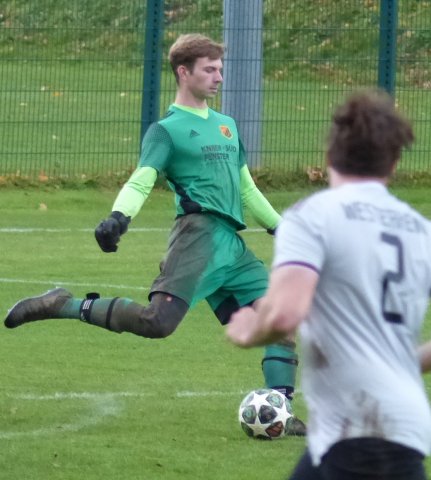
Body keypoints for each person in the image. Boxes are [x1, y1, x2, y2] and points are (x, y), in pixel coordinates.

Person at [4, 33, 305, 435]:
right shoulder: (166, 131)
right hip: (197, 239)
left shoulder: (227, 126)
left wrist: (280, 227)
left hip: (232, 245)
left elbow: (246, 188)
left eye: (220, 69)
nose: (219, 77)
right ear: (184, 72)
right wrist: (119, 217)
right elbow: (142, 179)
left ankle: (281, 413)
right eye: (209, 70)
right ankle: (61, 304)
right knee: (157, 323)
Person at [227, 89, 431, 479]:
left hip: (362, 428)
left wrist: (250, 330)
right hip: (388, 426)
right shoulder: (419, 229)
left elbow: (285, 314)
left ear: (329, 155)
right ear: (393, 163)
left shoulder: (313, 216)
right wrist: (405, 363)